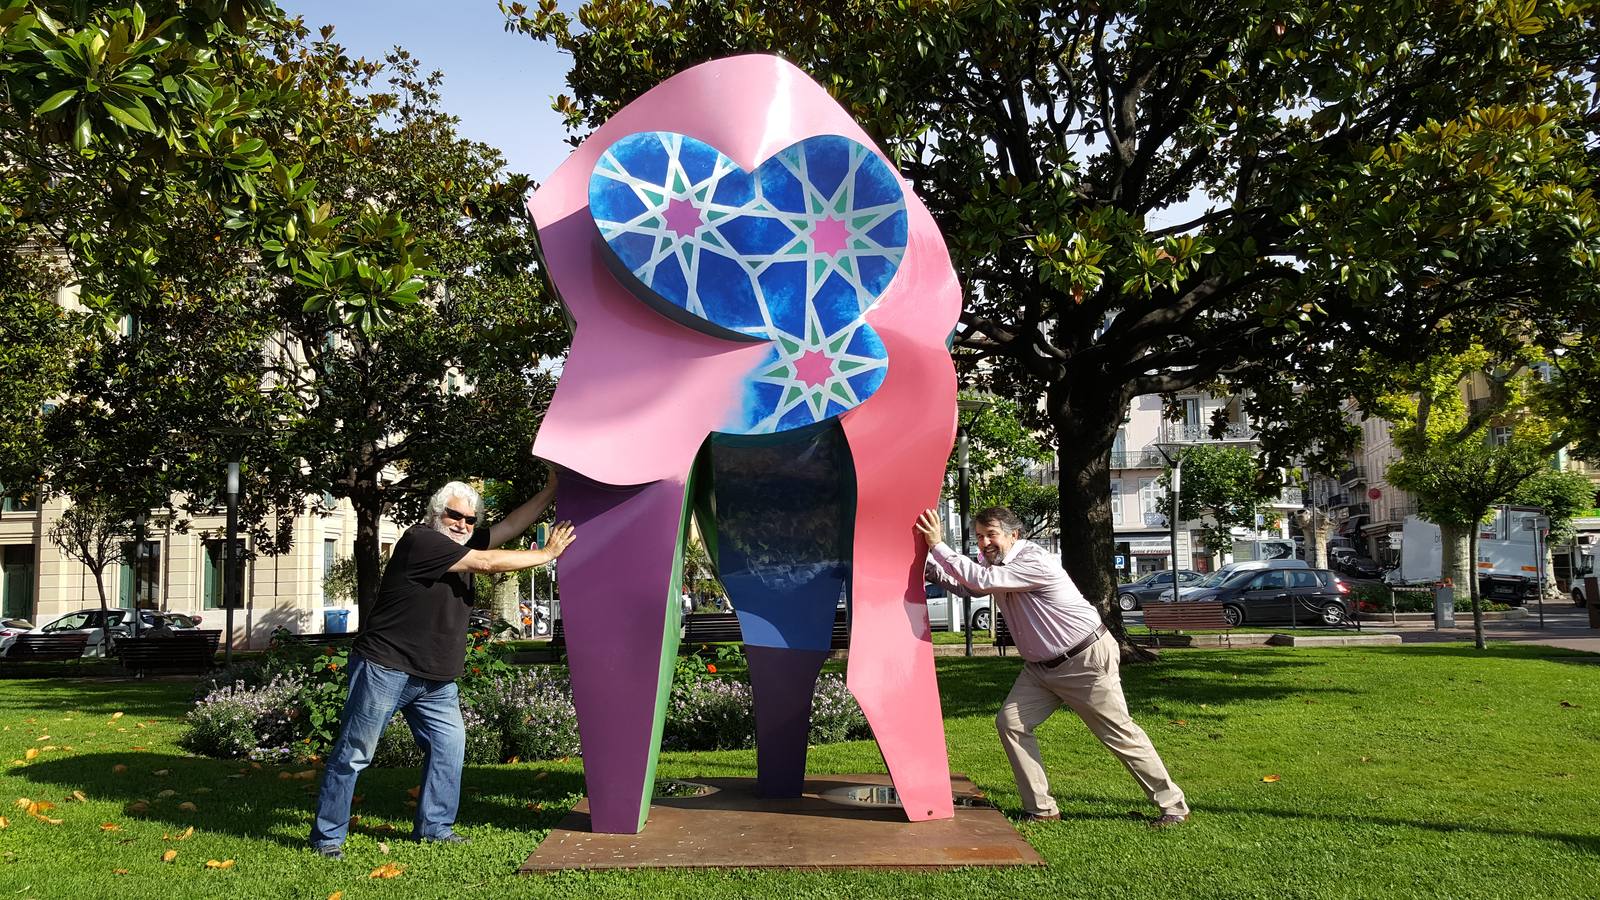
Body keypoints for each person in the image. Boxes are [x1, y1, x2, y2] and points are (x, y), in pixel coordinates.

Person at [309, 477, 576, 859]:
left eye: (470, 519)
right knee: (354, 753)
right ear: (437, 513)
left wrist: (552, 488)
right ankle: (327, 838)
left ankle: (434, 828)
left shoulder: (463, 541)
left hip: (435, 679)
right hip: (386, 666)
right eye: (455, 516)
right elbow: (485, 563)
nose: (463, 525)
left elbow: (511, 525)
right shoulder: (422, 541)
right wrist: (547, 554)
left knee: (449, 747)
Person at [917, 506, 1188, 828]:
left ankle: (1173, 806)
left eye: (991, 534)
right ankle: (1042, 809)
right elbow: (970, 586)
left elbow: (982, 580)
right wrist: (931, 570)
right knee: (1011, 723)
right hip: (1040, 668)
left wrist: (937, 545)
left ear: (1013, 534)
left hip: (1084, 660)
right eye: (979, 536)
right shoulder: (997, 565)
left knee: (1119, 734)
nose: (985, 542)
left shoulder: (1033, 560)